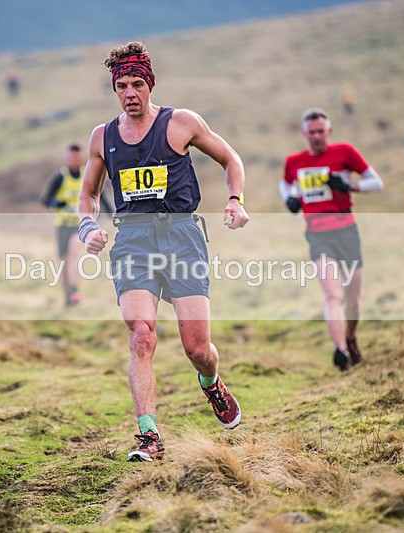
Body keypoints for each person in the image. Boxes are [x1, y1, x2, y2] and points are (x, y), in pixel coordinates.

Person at [78, 41, 249, 462]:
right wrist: (87, 227)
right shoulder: (103, 137)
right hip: (133, 241)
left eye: (137, 84)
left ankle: (211, 382)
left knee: (197, 349)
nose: (130, 93)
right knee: (141, 335)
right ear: (114, 89)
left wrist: (235, 200)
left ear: (150, 84)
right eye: (122, 86)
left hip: (181, 236)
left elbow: (231, 159)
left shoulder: (181, 123)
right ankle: (149, 435)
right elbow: (88, 195)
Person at [279, 108, 383, 372]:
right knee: (332, 294)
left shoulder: (345, 152)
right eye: (312, 132)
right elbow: (285, 183)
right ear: (304, 133)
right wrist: (289, 199)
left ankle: (350, 337)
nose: (316, 136)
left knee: (353, 300)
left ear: (329, 131)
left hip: (346, 231)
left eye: (320, 131)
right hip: (317, 234)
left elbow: (376, 182)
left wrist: (350, 186)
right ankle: (341, 351)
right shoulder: (294, 161)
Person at [40, 144, 112, 307]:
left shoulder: (88, 174)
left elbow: (101, 196)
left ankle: (74, 290)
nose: (74, 161)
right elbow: (45, 200)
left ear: (82, 158)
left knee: (74, 253)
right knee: (64, 261)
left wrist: (113, 215)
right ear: (66, 159)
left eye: (77, 158)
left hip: (80, 225)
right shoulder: (59, 177)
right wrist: (58, 203)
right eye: (71, 158)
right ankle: (68, 295)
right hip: (63, 224)